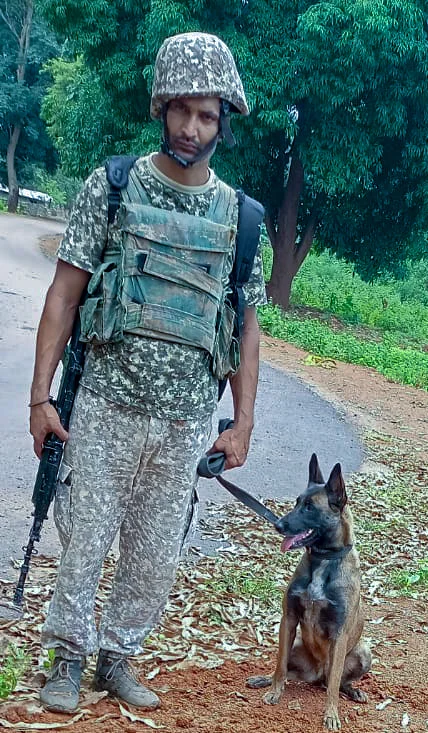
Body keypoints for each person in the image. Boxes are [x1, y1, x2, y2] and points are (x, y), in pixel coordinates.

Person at [28, 32, 266, 714]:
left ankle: (117, 657)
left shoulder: (243, 219)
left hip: (187, 419)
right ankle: (68, 657)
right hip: (104, 403)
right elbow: (64, 296)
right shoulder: (113, 187)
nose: (194, 128)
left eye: (208, 115)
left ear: (224, 121)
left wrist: (242, 423)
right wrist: (39, 397)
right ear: (162, 108)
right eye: (183, 110)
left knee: (156, 554)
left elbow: (245, 327)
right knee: (84, 541)